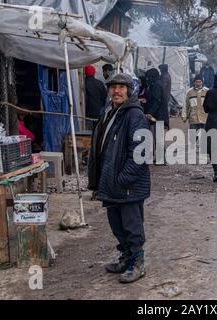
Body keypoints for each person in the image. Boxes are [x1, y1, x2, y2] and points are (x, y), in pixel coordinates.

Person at [88, 73, 150, 284]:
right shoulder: (108, 112)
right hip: (111, 182)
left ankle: (138, 262)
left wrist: (123, 178)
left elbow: (141, 153)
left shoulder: (135, 115)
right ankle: (126, 257)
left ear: (129, 90)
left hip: (127, 185)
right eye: (113, 87)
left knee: (132, 227)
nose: (116, 91)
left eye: (121, 87)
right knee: (117, 225)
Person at [182, 75, 209, 145]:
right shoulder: (189, 92)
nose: (198, 83)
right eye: (196, 82)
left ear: (202, 82)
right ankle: (193, 147)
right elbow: (186, 105)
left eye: (200, 82)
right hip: (193, 116)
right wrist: (184, 116)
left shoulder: (207, 91)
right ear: (194, 82)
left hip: (204, 116)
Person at [85, 65, 108, 130]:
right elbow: (104, 97)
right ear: (94, 72)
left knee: (87, 132)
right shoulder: (100, 83)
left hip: (86, 114)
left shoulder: (83, 83)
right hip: (98, 113)